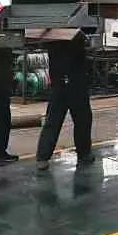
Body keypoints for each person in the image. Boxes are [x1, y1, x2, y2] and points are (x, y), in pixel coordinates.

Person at [35, 30, 94, 170]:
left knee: (54, 120)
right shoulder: (75, 34)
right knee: (82, 119)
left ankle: (43, 157)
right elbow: (87, 35)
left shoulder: (51, 33)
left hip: (60, 81)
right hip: (74, 82)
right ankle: (84, 154)